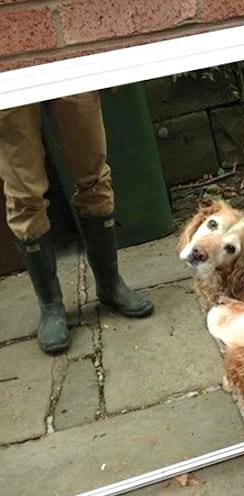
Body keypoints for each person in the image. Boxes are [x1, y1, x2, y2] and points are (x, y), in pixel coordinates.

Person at [0, 91, 154, 354]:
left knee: (94, 178)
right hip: (7, 79)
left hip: (65, 62)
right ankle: (50, 304)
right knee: (24, 196)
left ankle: (110, 284)